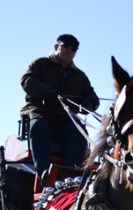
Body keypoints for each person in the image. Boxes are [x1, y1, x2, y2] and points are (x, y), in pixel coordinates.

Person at [20, 34, 99, 183]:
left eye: (73, 48)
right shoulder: (40, 64)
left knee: (79, 133)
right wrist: (48, 91)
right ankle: (45, 173)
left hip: (64, 121)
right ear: (57, 47)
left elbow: (92, 97)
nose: (69, 50)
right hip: (41, 114)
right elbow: (27, 81)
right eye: (65, 46)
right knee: (39, 125)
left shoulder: (80, 76)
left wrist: (89, 104)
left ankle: (72, 175)